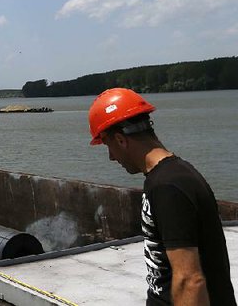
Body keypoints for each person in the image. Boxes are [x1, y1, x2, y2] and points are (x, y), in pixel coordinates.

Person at [88, 88, 235, 305]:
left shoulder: (169, 186)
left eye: (108, 146)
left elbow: (189, 280)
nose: (111, 157)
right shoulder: (167, 178)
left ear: (120, 140)